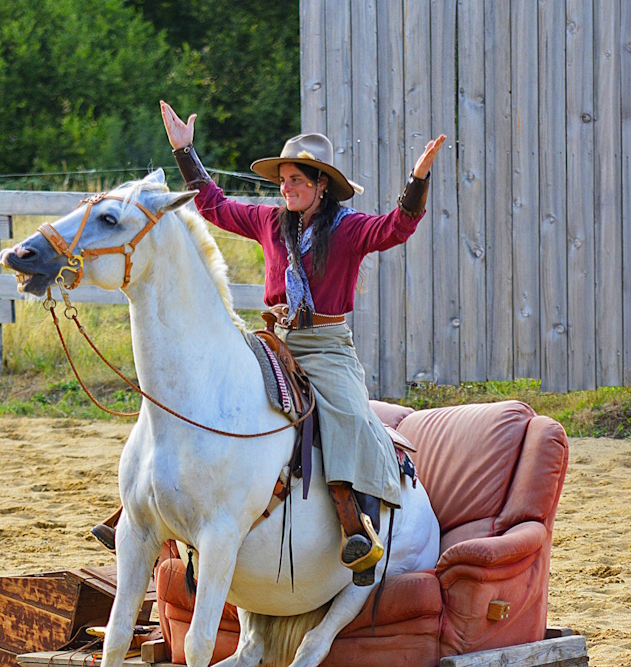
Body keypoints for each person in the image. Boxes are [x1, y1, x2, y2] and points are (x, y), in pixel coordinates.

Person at [93, 101, 445, 587]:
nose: (287, 188)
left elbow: (396, 228)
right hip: (272, 338)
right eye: (282, 180)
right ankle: (139, 512)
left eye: (297, 180)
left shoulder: (348, 230)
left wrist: (417, 181)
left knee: (346, 413)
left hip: (324, 346)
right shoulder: (267, 221)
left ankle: (356, 526)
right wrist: (184, 151)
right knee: (208, 396)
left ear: (322, 185)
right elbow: (214, 203)